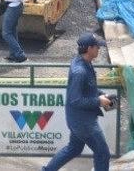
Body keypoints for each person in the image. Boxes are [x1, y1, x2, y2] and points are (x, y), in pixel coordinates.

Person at [42, 33, 113, 171]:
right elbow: (75, 100)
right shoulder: (79, 71)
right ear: (89, 49)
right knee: (103, 153)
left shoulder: (83, 62)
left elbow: (88, 88)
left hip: (77, 120)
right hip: (83, 123)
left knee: (74, 148)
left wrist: (101, 94)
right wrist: (98, 101)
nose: (99, 49)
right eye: (97, 47)